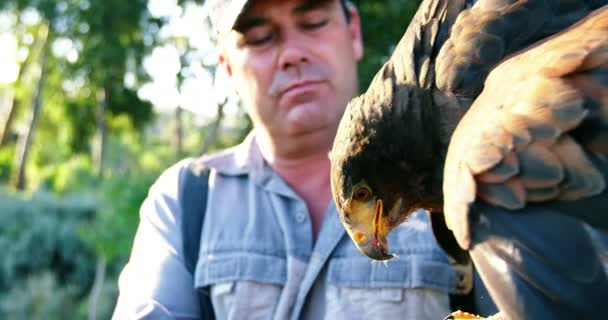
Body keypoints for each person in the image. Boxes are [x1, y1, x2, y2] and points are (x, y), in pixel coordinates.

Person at [113, 0, 460, 319]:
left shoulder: (464, 174)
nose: (292, 53)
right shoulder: (184, 200)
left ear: (353, 31)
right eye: (261, 37)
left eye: (312, 22)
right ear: (228, 67)